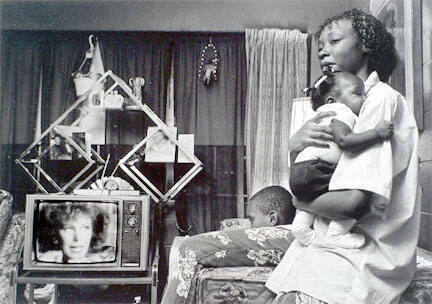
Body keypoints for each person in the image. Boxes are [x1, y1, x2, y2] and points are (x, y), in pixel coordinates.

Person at [267, 8, 419, 304]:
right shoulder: (341, 109)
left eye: (334, 41)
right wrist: (295, 149)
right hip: (330, 246)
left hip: (362, 255)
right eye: (321, 46)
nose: (323, 52)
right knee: (275, 293)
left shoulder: (378, 100)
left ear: (366, 45)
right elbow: (309, 182)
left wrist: (298, 201)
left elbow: (351, 203)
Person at [289, 71, 394, 249]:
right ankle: (336, 234)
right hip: (317, 167)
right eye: (357, 93)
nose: (363, 99)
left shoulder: (320, 115)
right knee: (358, 189)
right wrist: (376, 133)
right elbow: (344, 141)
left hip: (300, 171)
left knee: (314, 196)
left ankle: (301, 229)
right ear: (332, 100)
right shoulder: (341, 111)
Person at [160, 185, 296, 304]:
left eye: (252, 220)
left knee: (189, 248)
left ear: (272, 219)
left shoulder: (283, 236)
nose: (250, 226)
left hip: (287, 235)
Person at [37, 202, 115, 263]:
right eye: (68, 229)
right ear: (54, 233)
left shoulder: (105, 261)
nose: (78, 238)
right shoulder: (44, 261)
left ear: (94, 231)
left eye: (85, 228)